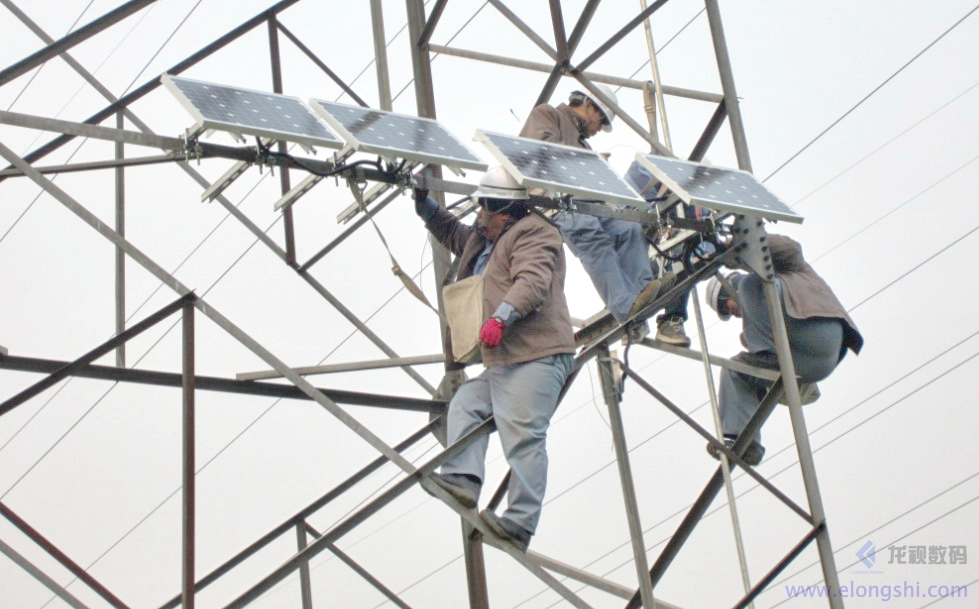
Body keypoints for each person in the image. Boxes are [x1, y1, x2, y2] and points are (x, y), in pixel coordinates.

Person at [413, 165, 576, 552]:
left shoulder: (535, 233)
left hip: (536, 355)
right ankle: (463, 480)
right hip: (504, 361)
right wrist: (426, 209)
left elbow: (532, 281)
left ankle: (519, 523)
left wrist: (502, 316)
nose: (478, 218)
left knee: (523, 437)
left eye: (485, 211)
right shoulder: (485, 239)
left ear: (504, 212)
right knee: (466, 404)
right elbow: (455, 234)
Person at [519, 85, 680, 339]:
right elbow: (545, 150)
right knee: (589, 234)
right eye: (601, 120)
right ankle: (626, 307)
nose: (598, 130)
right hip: (554, 200)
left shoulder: (583, 144)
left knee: (628, 227)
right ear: (589, 105)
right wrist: (589, 164)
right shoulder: (547, 114)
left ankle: (643, 293)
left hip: (587, 202)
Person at [704, 234, 864, 465]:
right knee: (735, 370)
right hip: (810, 364)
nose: (734, 314)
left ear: (727, 294)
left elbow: (790, 248)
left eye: (727, 308)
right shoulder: (756, 333)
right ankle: (743, 441)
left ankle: (769, 359)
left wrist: (734, 248)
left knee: (754, 283)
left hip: (817, 326)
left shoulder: (785, 272)